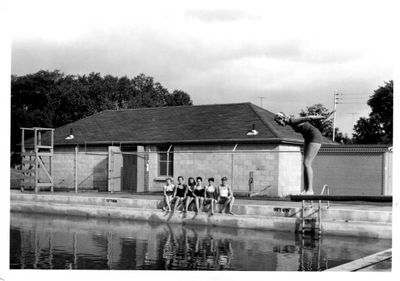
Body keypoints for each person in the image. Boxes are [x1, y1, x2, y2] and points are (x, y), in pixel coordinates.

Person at [274, 110, 335, 195]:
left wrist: (322, 117)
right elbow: (307, 122)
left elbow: (309, 118)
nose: (279, 124)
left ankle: (310, 190)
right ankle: (306, 190)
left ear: (282, 118)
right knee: (305, 163)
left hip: (314, 137)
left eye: (278, 121)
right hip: (308, 139)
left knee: (307, 163)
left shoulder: (292, 120)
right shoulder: (291, 123)